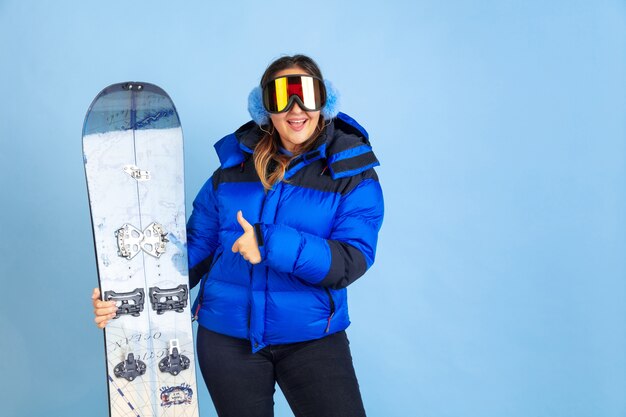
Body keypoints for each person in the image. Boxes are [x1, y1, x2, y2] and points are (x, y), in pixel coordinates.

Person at [92, 54, 384, 417]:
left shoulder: (352, 174)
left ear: (324, 100)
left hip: (312, 339)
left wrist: (270, 243)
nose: (295, 108)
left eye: (306, 94)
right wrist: (126, 292)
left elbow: (350, 260)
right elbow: (196, 249)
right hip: (227, 339)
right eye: (281, 97)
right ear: (265, 108)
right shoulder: (232, 171)